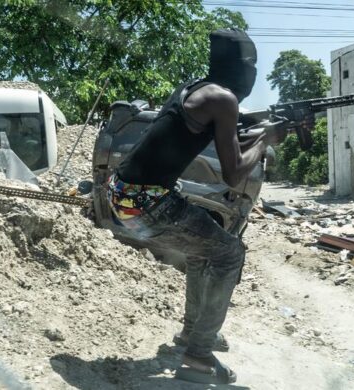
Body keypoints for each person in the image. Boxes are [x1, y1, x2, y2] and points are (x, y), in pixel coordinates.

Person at [106, 28, 283, 384]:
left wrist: (258, 130)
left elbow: (227, 139)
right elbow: (233, 174)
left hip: (124, 195)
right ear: (244, 66)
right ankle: (198, 356)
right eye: (252, 65)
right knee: (230, 253)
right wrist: (267, 138)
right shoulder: (224, 100)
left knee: (205, 249)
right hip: (146, 202)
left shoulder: (197, 87)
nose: (253, 74)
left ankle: (192, 333)